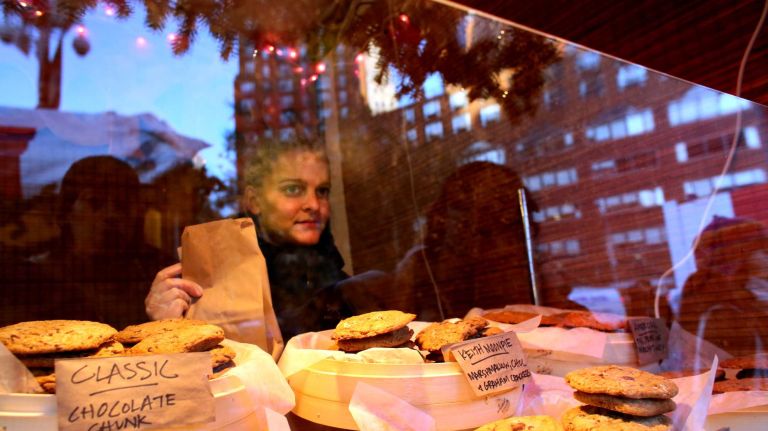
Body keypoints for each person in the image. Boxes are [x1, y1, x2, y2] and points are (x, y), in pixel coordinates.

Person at [145, 138, 352, 340]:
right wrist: (164, 326)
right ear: (254, 201)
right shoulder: (217, 276)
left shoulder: (336, 277)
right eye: (293, 189)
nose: (314, 205)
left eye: (322, 191)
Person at [23, 156, 171, 329]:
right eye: (95, 202)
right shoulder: (36, 278)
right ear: (67, 212)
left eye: (121, 204)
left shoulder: (162, 272)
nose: (111, 215)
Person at [677, 216, 768, 356]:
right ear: (738, 257)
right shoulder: (722, 306)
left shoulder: (751, 291)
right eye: (762, 250)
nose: (765, 256)